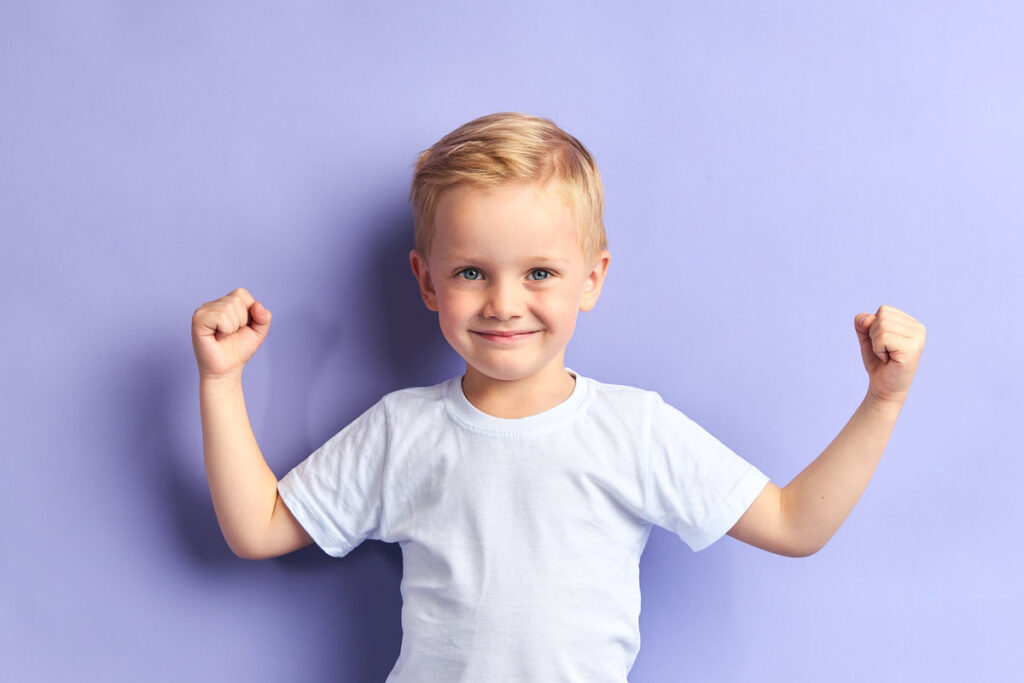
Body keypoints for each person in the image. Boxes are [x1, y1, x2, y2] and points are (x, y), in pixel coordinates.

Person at [190, 112, 926, 682]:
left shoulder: (633, 429)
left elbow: (795, 523)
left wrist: (883, 401)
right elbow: (258, 528)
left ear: (592, 279)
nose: (505, 302)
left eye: (539, 272)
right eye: (472, 272)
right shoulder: (402, 430)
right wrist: (221, 382)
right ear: (426, 281)